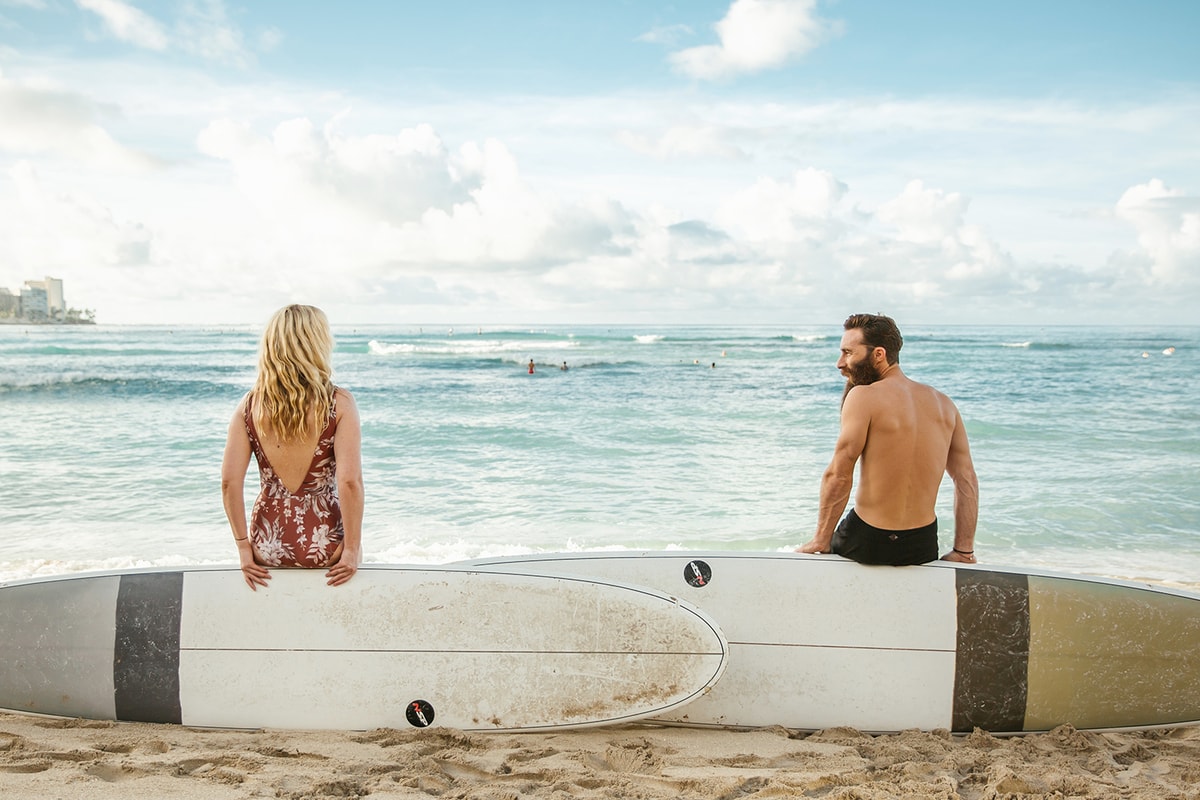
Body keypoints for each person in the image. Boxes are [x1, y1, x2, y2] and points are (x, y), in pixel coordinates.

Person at [797, 313, 978, 565]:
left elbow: (839, 473)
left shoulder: (863, 396)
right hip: (922, 545)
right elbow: (966, 479)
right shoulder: (944, 403)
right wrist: (963, 551)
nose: (840, 363)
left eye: (848, 352)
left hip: (867, 540)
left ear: (878, 354)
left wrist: (821, 539)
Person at [221, 304, 364, 590]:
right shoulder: (339, 404)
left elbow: (229, 483)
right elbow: (349, 482)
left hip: (267, 544)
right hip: (327, 545)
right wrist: (351, 551)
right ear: (317, 344)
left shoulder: (248, 406)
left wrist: (243, 549)